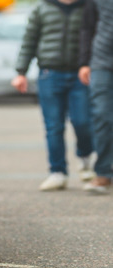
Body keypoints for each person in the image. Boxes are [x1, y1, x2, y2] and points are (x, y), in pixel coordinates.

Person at [12, 0, 95, 192]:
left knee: (83, 122)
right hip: (49, 74)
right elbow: (29, 40)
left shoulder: (88, 7)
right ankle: (57, 172)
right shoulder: (42, 8)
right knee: (53, 126)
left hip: (80, 76)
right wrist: (21, 72)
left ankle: (85, 158)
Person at [78, 0, 113, 193]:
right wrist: (84, 62)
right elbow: (87, 28)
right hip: (101, 63)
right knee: (102, 116)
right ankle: (103, 173)